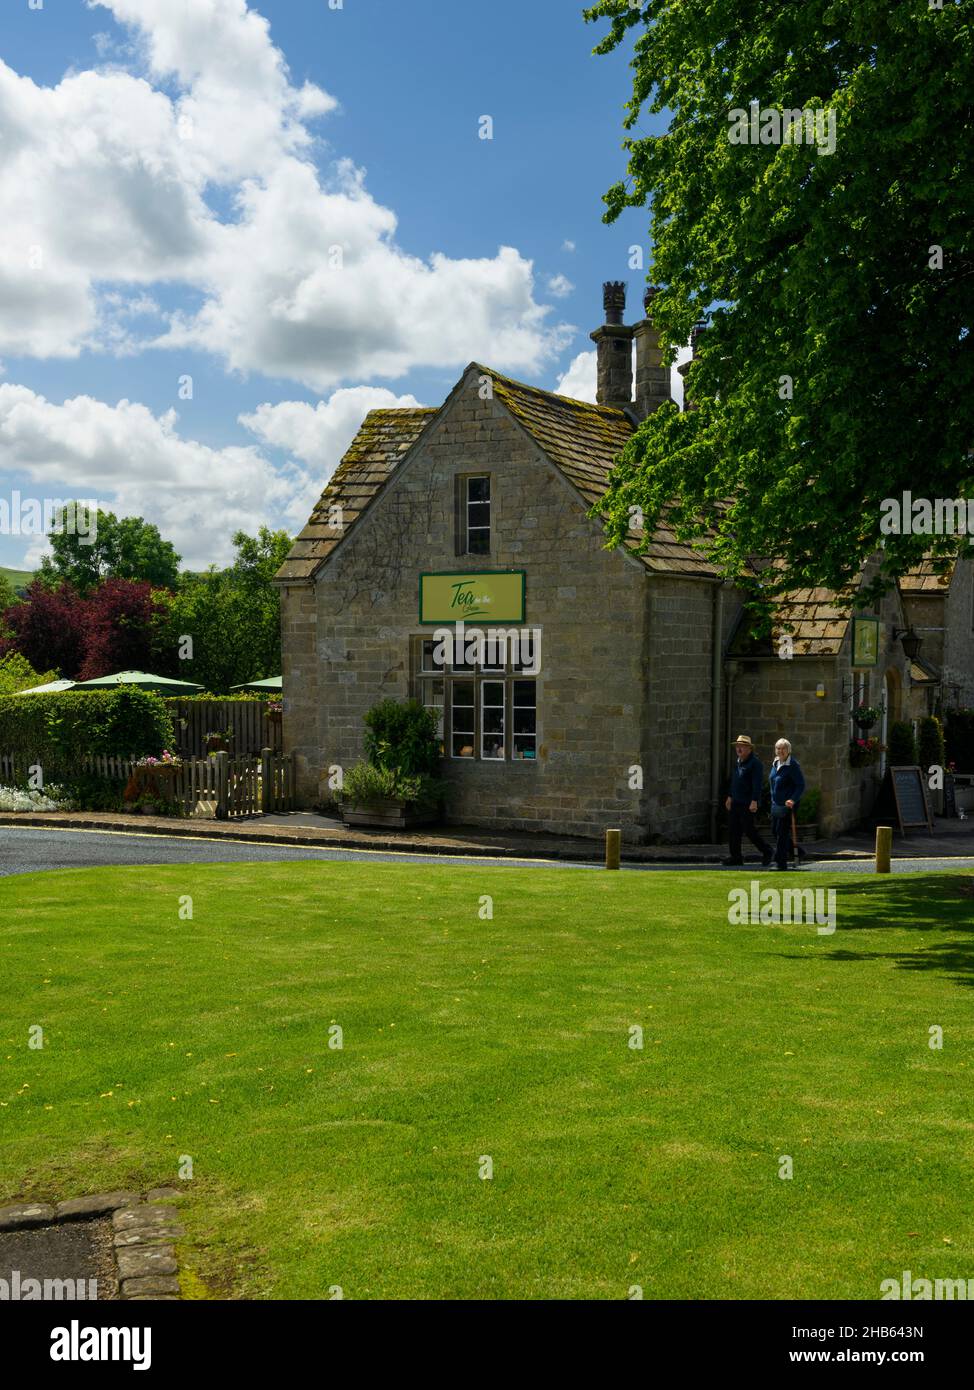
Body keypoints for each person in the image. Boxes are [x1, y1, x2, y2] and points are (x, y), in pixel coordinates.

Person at [724, 735, 772, 866]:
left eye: (742, 746)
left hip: (747, 802)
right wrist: (730, 796)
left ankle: (767, 851)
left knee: (749, 830)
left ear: (749, 749)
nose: (739, 749)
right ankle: (736, 857)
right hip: (736, 801)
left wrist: (754, 800)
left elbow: (757, 784)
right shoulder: (738, 762)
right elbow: (734, 781)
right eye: (737, 746)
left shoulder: (755, 764)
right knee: (733, 830)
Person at [769, 738, 806, 870]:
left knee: (781, 832)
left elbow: (800, 785)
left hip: (788, 805)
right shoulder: (775, 763)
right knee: (774, 831)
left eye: (783, 748)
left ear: (788, 750)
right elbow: (772, 783)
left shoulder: (793, 765)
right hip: (776, 804)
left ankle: (780, 863)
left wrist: (793, 799)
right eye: (778, 748)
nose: (781, 751)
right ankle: (799, 852)